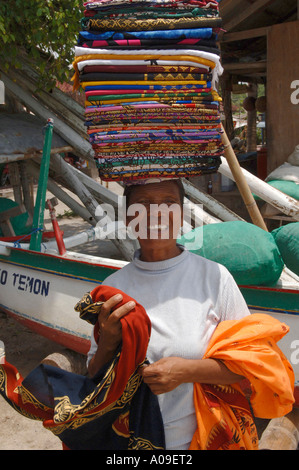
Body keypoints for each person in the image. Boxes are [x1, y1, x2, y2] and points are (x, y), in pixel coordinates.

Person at [86, 178, 251, 450]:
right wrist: (108, 341)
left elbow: (247, 367)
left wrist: (186, 371)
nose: (156, 214)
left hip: (200, 439)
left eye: (169, 203)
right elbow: (93, 375)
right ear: (128, 218)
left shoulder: (214, 278)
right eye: (143, 205)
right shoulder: (112, 289)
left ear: (182, 214)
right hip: (129, 443)